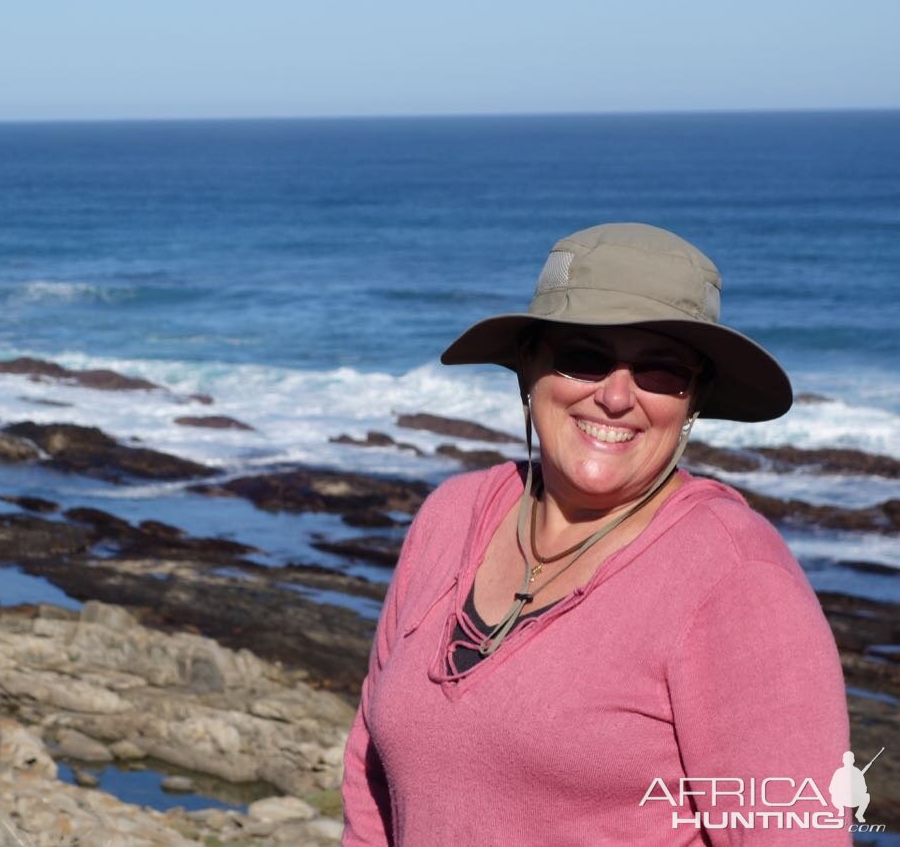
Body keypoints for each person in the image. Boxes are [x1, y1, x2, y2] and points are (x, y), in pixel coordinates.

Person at [341, 223, 850, 845]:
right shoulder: (451, 516)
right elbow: (370, 777)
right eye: (584, 357)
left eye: (661, 373)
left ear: (694, 400)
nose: (616, 397)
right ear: (529, 366)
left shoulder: (735, 577)